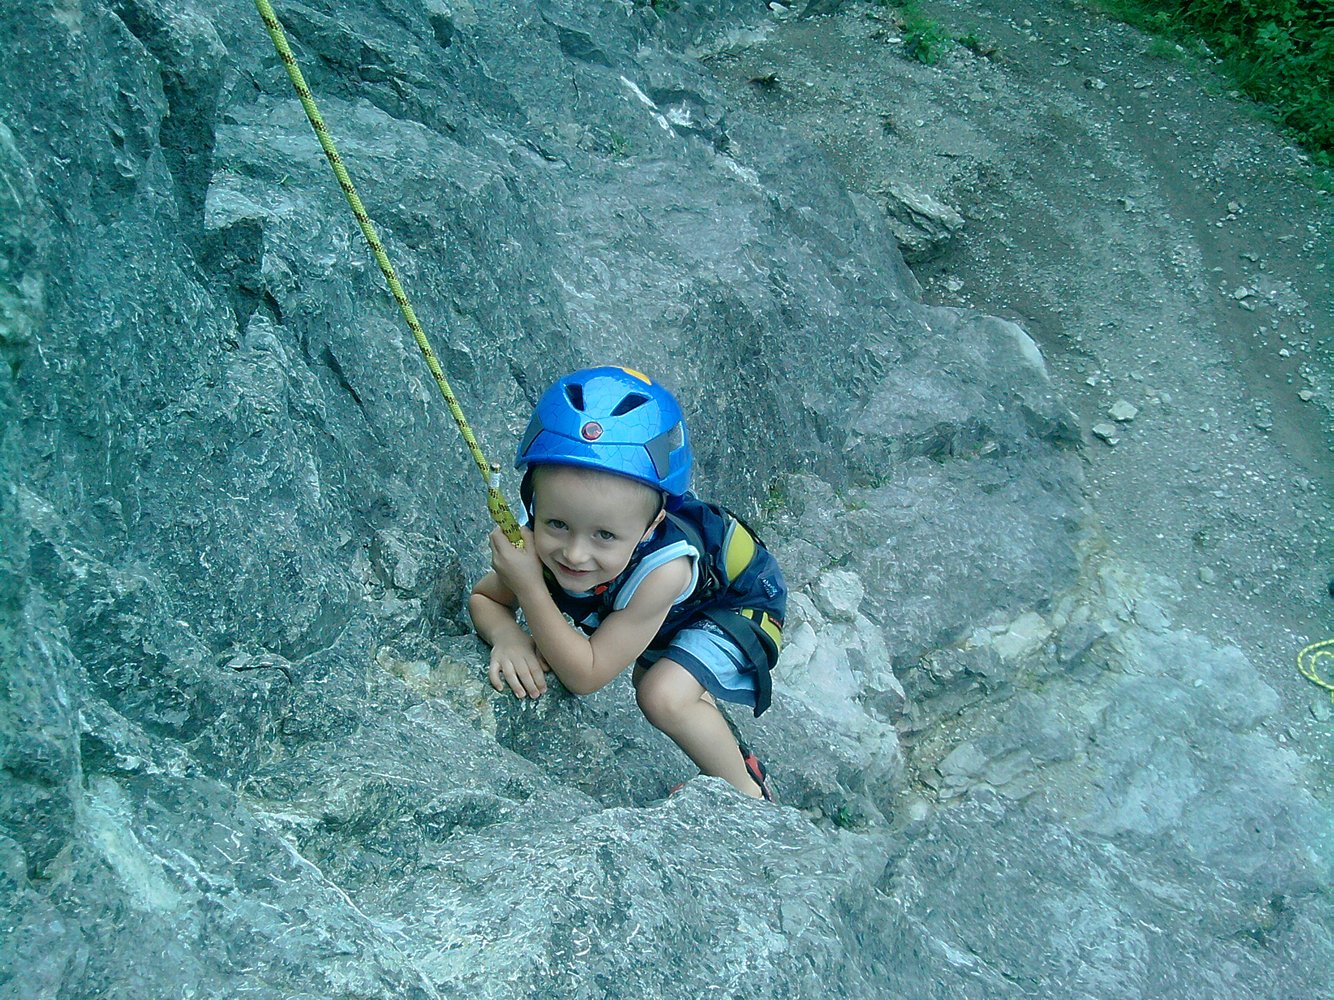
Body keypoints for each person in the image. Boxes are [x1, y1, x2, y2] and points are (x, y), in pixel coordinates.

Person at [469, 366, 786, 800]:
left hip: (738, 600)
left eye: (604, 535)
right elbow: (485, 598)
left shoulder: (664, 570)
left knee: (662, 694)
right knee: (658, 673)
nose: (574, 554)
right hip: (676, 605)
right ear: (535, 505)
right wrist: (508, 636)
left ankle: (749, 796)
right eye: (557, 524)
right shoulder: (541, 540)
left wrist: (529, 588)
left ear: (651, 526)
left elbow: (587, 673)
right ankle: (730, 751)